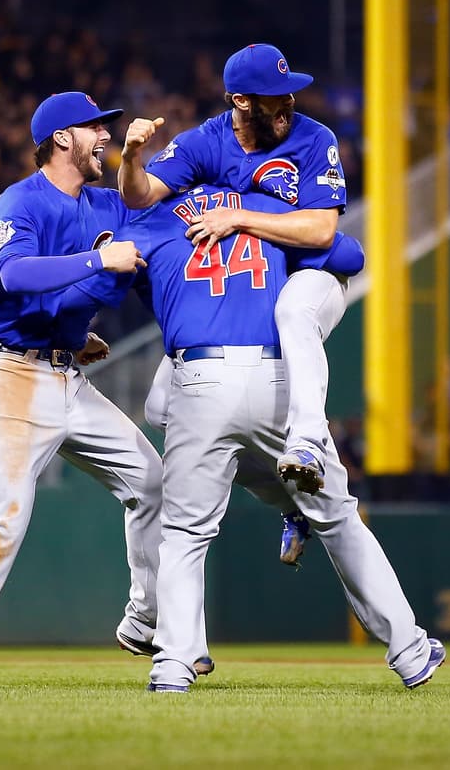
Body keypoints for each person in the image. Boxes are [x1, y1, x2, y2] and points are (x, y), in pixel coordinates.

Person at [75, 184, 445, 693]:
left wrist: (71, 332)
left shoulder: (151, 223)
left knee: (184, 535)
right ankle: (409, 651)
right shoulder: (267, 210)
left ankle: (173, 666)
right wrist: (260, 226)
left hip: (199, 378)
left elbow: (93, 290)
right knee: (340, 520)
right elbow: (350, 253)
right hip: (275, 378)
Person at [0, 93, 166, 691]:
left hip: (65, 373)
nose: (105, 135)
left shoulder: (102, 201)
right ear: (62, 137)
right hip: (8, 376)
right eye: (96, 127)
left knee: (152, 483)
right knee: (3, 521)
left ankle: (145, 621)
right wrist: (96, 261)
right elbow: (15, 276)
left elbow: (145, 217)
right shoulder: (20, 201)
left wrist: (75, 331)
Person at [118, 44, 350, 565]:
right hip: (247, 292)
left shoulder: (315, 138)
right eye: (272, 96)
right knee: (162, 407)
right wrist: (131, 157)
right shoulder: (208, 140)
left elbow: (322, 229)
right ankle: (288, 500)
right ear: (241, 101)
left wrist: (239, 217)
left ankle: (308, 437)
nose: (287, 101)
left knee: (295, 315)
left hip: (312, 275)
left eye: (289, 89)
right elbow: (140, 196)